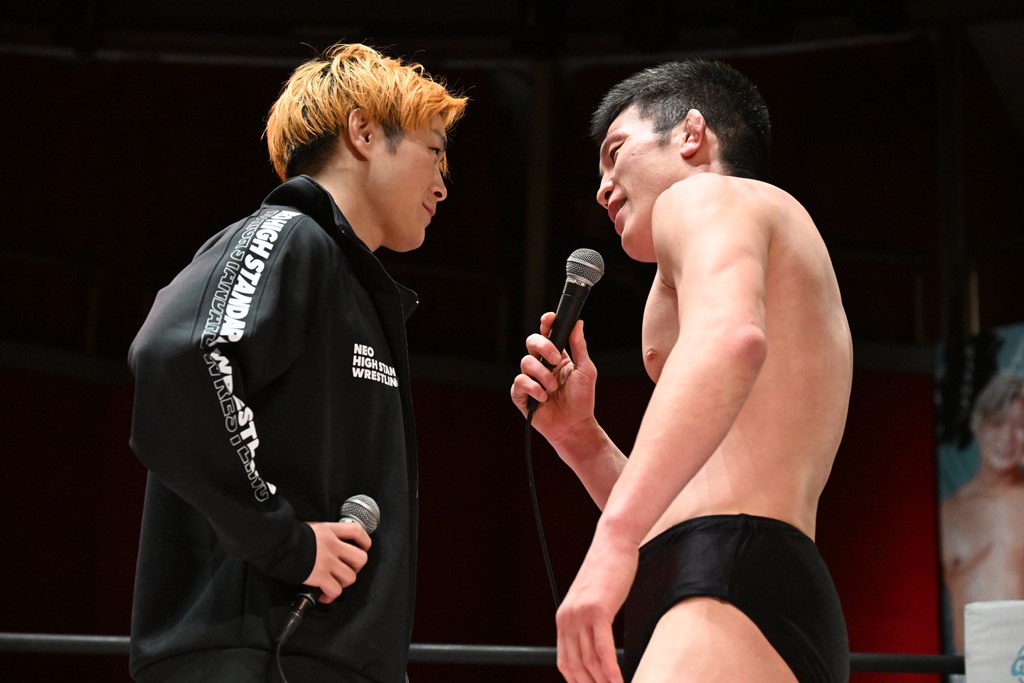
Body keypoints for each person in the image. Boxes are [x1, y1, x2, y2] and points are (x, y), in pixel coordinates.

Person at [127, 42, 466, 682]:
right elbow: (181, 355)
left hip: (316, 659)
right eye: (434, 151)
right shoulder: (289, 234)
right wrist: (283, 539)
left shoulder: (348, 284)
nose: (442, 186)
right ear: (364, 132)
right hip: (251, 654)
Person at [511, 59, 853, 682]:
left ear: (692, 134)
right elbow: (686, 505)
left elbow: (732, 338)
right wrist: (582, 439)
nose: (603, 188)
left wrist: (612, 543)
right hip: (723, 572)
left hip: (726, 572)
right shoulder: (733, 233)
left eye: (616, 153)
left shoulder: (706, 195)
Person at [940, 371, 1024, 654]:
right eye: (997, 423)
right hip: (967, 666)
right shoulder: (950, 512)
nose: (1007, 437)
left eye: (1020, 425)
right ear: (978, 425)